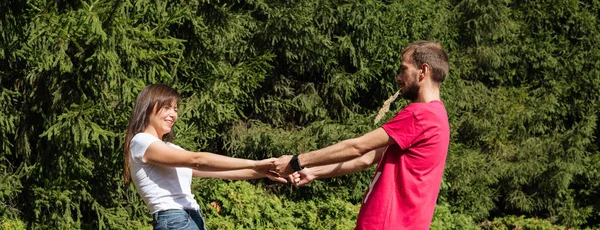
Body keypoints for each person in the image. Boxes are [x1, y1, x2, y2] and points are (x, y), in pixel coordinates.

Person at [274, 40, 450, 230]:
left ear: (423, 71)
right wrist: (313, 171)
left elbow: (357, 147)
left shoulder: (420, 115)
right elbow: (366, 158)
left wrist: (296, 161)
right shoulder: (438, 116)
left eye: (403, 70)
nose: (399, 78)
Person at [123, 84, 286, 230]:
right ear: (148, 107)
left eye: (175, 109)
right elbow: (198, 160)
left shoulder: (170, 148)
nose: (173, 114)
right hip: (175, 219)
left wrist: (264, 171)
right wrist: (255, 163)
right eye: (167, 107)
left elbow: (221, 172)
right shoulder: (142, 141)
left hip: (191, 218)